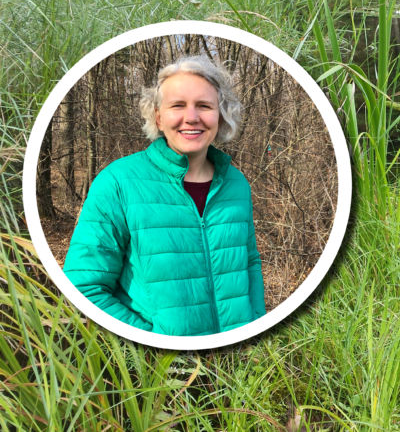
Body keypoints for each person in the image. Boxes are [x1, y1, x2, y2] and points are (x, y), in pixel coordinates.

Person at [64, 55, 266, 336]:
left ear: (220, 115)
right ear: (158, 117)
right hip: (163, 370)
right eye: (178, 105)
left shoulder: (236, 183)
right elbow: (84, 285)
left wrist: (255, 327)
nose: (192, 117)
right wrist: (152, 341)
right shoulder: (119, 182)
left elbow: (249, 263)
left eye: (205, 106)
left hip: (239, 366)